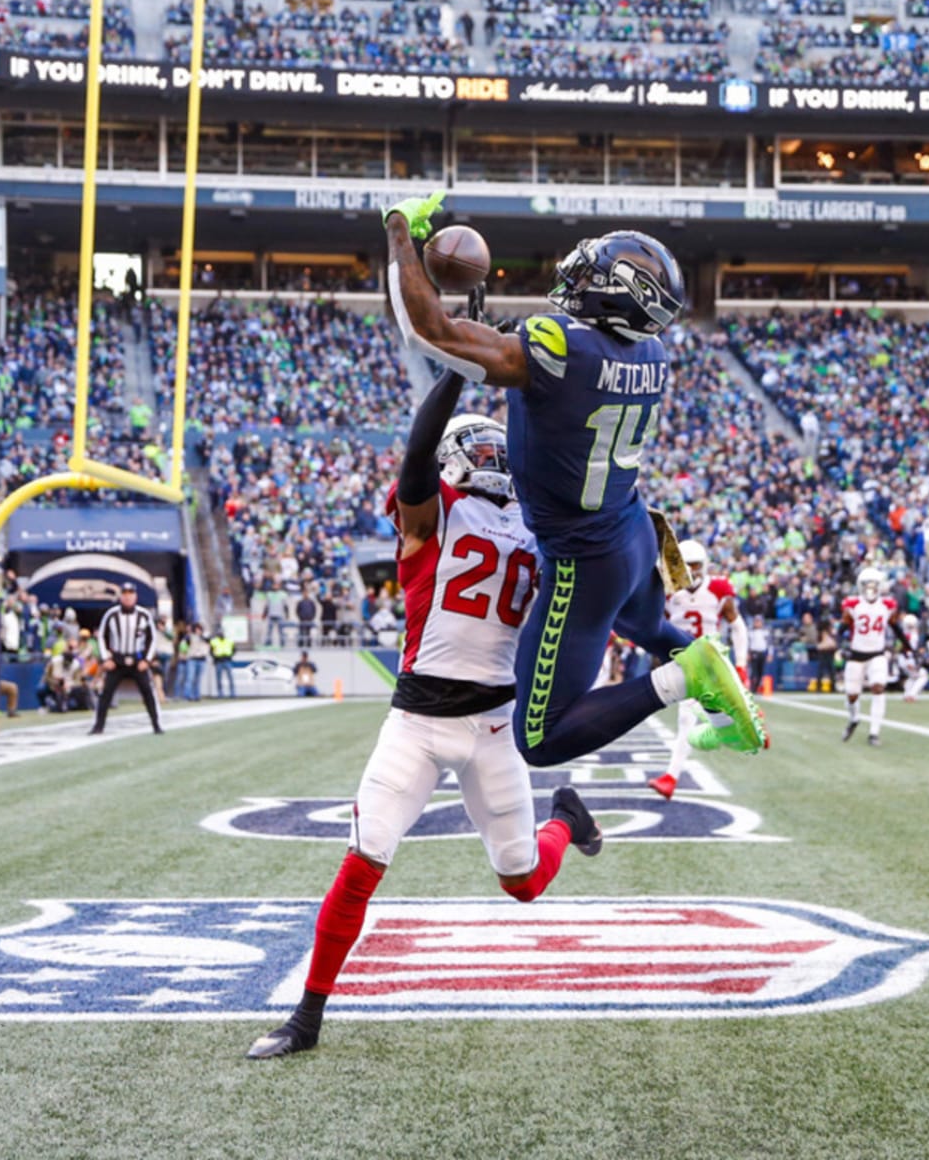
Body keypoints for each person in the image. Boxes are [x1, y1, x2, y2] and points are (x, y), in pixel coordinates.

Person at [247, 368, 604, 1061]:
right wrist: (459, 371)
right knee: (363, 861)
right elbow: (415, 458)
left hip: (495, 726)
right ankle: (307, 1019)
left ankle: (567, 817)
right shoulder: (441, 513)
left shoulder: (533, 527)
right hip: (416, 724)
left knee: (524, 881)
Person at [383, 192, 766, 770]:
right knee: (643, 622)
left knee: (541, 738)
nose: (579, 273)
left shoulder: (560, 347)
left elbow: (427, 329)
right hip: (634, 531)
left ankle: (686, 679)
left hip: (584, 556)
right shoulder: (653, 351)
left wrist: (398, 229)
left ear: (623, 294)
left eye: (597, 270)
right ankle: (726, 708)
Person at [649, 540, 749, 799]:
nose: (692, 573)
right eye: (686, 567)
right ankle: (671, 776)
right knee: (700, 716)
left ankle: (671, 777)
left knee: (698, 715)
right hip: (685, 663)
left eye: (695, 567)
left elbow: (738, 627)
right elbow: (658, 628)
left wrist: (741, 664)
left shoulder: (717, 589)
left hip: (712, 661)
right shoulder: (668, 593)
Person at [840, 565, 909, 747]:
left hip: (877, 654)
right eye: (867, 585)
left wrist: (907, 646)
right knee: (852, 695)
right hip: (856, 654)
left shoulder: (887, 605)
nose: (871, 589)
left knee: (878, 687)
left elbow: (895, 627)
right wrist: (839, 644)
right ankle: (854, 718)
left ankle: (874, 733)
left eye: (874, 585)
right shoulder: (852, 604)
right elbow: (844, 627)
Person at [90, 582, 164, 736]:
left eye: (131, 594)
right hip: (117, 660)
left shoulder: (144, 615)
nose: (128, 597)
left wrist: (147, 660)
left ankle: (156, 724)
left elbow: (152, 639)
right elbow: (102, 637)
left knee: (148, 693)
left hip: (137, 660)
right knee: (106, 694)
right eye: (125, 594)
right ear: (121, 596)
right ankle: (98, 726)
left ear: (135, 596)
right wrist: (106, 659)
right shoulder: (111, 614)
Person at [899, 613, 929, 702]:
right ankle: (912, 694)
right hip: (908, 659)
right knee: (923, 676)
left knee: (913, 677)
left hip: (903, 658)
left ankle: (907, 694)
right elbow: (909, 649)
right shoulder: (911, 635)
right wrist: (909, 661)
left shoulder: (904, 633)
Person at [184, 623, 209, 701]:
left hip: (201, 659)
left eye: (200, 629)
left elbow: (208, 641)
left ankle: (196, 695)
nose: (198, 630)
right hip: (192, 659)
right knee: (190, 678)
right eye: (197, 629)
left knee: (198, 679)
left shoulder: (205, 637)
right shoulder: (190, 636)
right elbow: (184, 645)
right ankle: (188, 695)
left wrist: (202, 635)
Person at [210, 626, 236, 698]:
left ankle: (232, 693)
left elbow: (234, 650)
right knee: (219, 678)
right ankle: (220, 693)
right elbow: (211, 651)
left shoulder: (229, 640)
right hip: (218, 661)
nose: (221, 634)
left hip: (227, 660)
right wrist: (215, 657)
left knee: (230, 678)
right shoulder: (214, 641)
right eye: (219, 632)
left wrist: (230, 656)